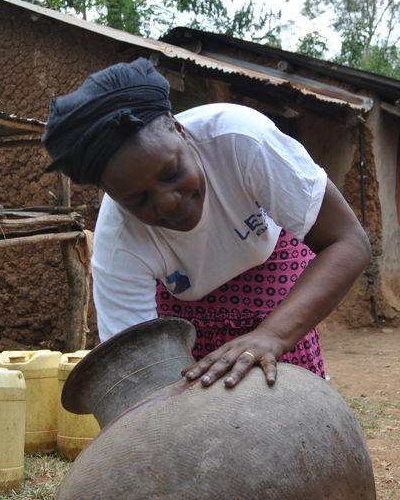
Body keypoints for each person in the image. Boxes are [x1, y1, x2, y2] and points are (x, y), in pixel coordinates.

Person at [43, 58, 370, 388]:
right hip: (184, 304)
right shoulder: (119, 242)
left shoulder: (242, 140)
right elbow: (138, 367)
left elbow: (347, 242)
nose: (168, 202)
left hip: (272, 269)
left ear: (179, 129)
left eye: (171, 173)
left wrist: (274, 335)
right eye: (139, 200)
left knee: (288, 395)